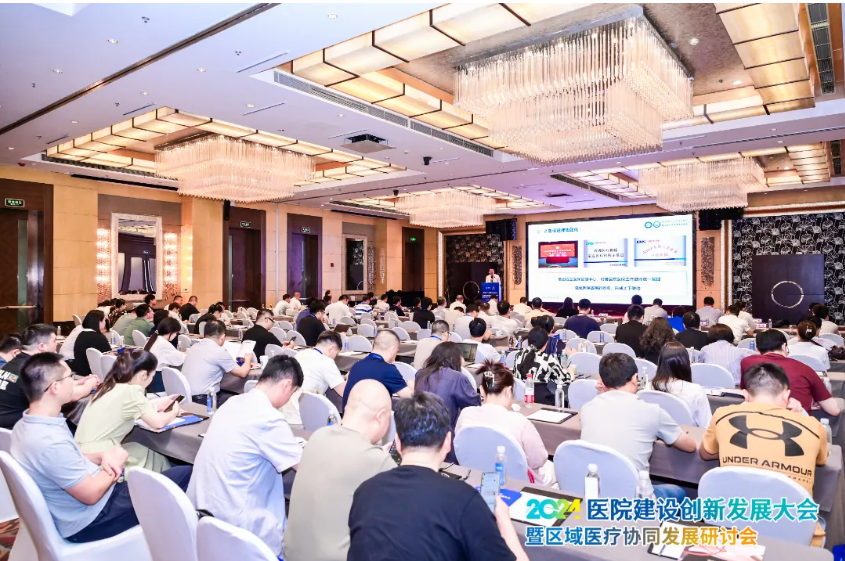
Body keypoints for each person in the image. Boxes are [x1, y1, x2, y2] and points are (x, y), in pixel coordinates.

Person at [10, 352, 191, 543]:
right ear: (55, 387)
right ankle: (179, 543)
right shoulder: (50, 441)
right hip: (93, 518)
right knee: (186, 473)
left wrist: (101, 455)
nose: (74, 381)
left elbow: (68, 459)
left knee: (168, 475)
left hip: (75, 510)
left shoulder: (25, 426)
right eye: (70, 377)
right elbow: (91, 495)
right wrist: (114, 465)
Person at [347, 392, 529, 561]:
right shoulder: (464, 501)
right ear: (447, 442)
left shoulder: (365, 492)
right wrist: (504, 520)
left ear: (398, 442)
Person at [700, 362, 828, 547]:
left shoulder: (722, 415)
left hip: (732, 525)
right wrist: (801, 413)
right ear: (786, 395)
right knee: (820, 519)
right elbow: (821, 460)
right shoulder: (814, 426)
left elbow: (706, 453)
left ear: (745, 395)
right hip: (794, 540)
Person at [189, 355, 303, 556]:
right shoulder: (269, 418)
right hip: (238, 526)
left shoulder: (233, 402)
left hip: (202, 509)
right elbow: (304, 467)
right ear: (287, 385)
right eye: (292, 393)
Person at [285, 380, 394, 561]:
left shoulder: (318, 437)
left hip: (292, 555)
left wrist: (375, 455)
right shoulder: (377, 462)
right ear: (381, 416)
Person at [581, 353, 696, 500]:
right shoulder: (652, 411)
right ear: (635, 378)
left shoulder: (587, 408)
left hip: (595, 495)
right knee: (679, 492)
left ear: (602, 381)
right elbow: (690, 446)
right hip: (636, 502)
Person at [75, 350, 180, 472]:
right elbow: (157, 422)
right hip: (103, 458)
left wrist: (157, 404)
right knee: (151, 454)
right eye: (152, 376)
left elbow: (126, 408)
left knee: (141, 449)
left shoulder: (107, 386)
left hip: (82, 455)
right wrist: (174, 411)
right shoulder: (132, 391)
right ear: (143, 375)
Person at [457, 362, 550, 483]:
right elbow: (538, 460)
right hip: (517, 484)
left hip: (474, 479)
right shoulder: (520, 422)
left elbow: (459, 449)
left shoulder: (466, 414)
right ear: (509, 391)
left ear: (482, 390)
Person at [0, 324, 98, 430]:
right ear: (42, 346)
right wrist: (90, 384)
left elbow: (48, 387)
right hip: (21, 428)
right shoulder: (35, 369)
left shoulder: (13, 364)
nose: (57, 344)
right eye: (54, 341)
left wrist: (77, 382)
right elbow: (70, 395)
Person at [741, 329, 840, 416]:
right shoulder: (804, 368)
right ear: (784, 346)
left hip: (755, 421)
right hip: (796, 424)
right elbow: (834, 410)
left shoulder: (746, 362)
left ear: (757, 349)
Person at [414, 343, 480, 463]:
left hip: (419, 429)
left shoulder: (421, 374)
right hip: (445, 434)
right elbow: (474, 405)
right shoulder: (458, 378)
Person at [181, 320, 253, 404]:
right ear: (223, 337)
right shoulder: (218, 351)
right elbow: (242, 373)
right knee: (242, 400)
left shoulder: (194, 346)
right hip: (204, 399)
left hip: (186, 397)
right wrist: (248, 359)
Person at [282, 331, 346, 425]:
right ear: (331, 349)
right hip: (304, 418)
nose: (334, 358)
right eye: (336, 354)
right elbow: (344, 392)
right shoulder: (326, 361)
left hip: (286, 413)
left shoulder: (300, 354)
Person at [645, 341, 712, 427]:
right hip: (689, 434)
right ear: (686, 364)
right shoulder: (696, 391)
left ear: (660, 363)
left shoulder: (649, 387)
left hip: (656, 434)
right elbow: (707, 426)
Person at [343, 330, 412, 411]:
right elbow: (411, 397)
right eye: (397, 351)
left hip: (348, 416)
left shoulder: (356, 365)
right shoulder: (388, 369)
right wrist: (412, 386)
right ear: (393, 350)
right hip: (369, 418)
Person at [512, 327, 570, 405]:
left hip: (520, 398)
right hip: (541, 401)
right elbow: (564, 380)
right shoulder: (548, 359)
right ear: (546, 343)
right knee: (565, 402)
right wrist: (571, 373)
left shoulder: (518, 355)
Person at [72, 310, 112, 376]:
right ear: (99, 322)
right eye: (104, 320)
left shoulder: (81, 334)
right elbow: (111, 358)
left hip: (80, 372)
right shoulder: (99, 337)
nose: (105, 323)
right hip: (94, 374)